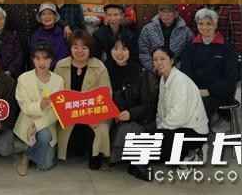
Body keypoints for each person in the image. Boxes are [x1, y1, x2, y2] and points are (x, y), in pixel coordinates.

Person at [54, 30, 111, 170]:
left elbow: (106, 95)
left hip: (92, 112)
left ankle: (96, 155)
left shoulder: (99, 66)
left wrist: (93, 113)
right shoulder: (60, 65)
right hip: (68, 112)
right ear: (70, 48)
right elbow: (55, 93)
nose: (79, 51)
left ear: (90, 49)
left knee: (99, 127)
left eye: (84, 47)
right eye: (75, 47)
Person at [106, 37, 158, 180]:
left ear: (131, 51)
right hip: (111, 115)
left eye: (124, 49)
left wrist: (130, 113)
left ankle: (137, 165)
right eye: (115, 49)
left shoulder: (140, 72)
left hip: (134, 116)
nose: (119, 53)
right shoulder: (104, 69)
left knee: (134, 128)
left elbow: (148, 104)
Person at [13, 44, 64, 176]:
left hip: (47, 122)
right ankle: (25, 159)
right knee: (44, 135)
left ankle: (28, 153)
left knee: (44, 166)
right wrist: (40, 106)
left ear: (51, 60)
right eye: (37, 58)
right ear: (32, 59)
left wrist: (38, 125)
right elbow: (24, 106)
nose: (42, 62)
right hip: (27, 121)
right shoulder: (23, 78)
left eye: (46, 58)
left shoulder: (58, 81)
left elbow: (57, 111)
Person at [153, 47, 209, 163]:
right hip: (176, 126)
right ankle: (187, 152)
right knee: (156, 149)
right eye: (155, 60)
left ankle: (197, 148)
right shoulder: (163, 78)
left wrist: (161, 129)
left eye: (162, 59)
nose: (158, 62)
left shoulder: (180, 80)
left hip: (193, 131)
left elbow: (179, 115)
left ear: (171, 61)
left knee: (164, 154)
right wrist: (159, 126)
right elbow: (160, 108)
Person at [180, 8, 237, 120]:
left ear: (215, 25)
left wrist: (209, 91)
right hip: (195, 92)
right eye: (201, 23)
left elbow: (231, 79)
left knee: (198, 109)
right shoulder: (190, 47)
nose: (204, 27)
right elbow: (185, 73)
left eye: (209, 24)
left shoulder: (227, 48)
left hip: (219, 94)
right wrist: (194, 90)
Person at [138, 5, 193, 72]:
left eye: (169, 12)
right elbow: (143, 52)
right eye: (163, 12)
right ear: (159, 13)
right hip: (154, 70)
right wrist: (153, 68)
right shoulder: (147, 29)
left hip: (177, 71)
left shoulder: (186, 31)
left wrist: (176, 69)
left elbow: (189, 54)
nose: (165, 15)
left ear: (176, 13)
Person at [30, 3, 69, 68]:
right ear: (40, 18)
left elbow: (64, 55)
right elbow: (34, 56)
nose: (47, 17)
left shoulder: (63, 33)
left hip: (60, 69)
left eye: (50, 13)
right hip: (42, 69)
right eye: (43, 14)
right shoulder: (36, 35)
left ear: (55, 16)